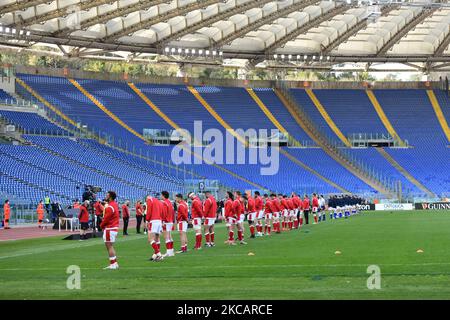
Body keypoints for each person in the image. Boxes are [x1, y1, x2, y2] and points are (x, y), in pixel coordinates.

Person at [100, 191, 120, 270]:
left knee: (109, 247)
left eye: (107, 195)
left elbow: (106, 219)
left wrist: (101, 225)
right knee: (110, 246)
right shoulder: (114, 204)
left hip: (109, 228)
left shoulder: (109, 206)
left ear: (110, 197)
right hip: (113, 228)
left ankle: (113, 264)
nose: (106, 196)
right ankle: (114, 263)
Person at [146, 193, 163, 261]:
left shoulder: (150, 200)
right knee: (157, 239)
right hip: (159, 221)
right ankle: (155, 255)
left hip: (153, 221)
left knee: (150, 239)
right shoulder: (159, 201)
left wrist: (147, 220)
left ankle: (159, 254)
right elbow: (162, 212)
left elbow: (149, 211)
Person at [161, 191, 175, 257]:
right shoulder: (170, 202)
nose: (161, 196)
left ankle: (168, 252)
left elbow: (164, 213)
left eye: (161, 195)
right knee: (170, 236)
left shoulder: (164, 203)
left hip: (166, 221)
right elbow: (172, 212)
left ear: (163, 195)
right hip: (170, 221)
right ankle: (171, 251)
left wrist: (163, 221)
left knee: (166, 237)